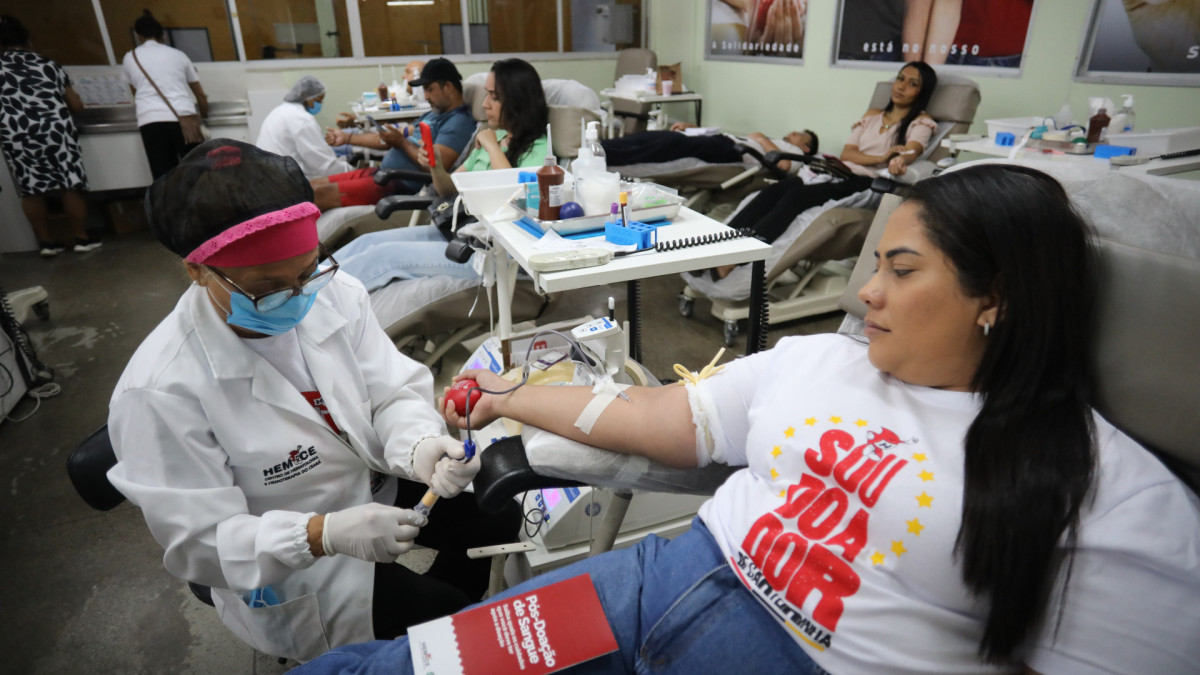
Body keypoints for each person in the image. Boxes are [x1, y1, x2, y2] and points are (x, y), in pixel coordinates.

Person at [295, 164, 1200, 674]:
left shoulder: (1108, 492)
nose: (864, 290)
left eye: (902, 270)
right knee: (377, 673)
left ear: (993, 297)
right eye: (872, 261)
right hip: (652, 580)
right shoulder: (822, 359)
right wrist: (507, 399)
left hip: (804, 659)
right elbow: (656, 411)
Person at [106, 139, 518, 663]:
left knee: (496, 511)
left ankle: (436, 617)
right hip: (291, 560)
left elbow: (389, 389)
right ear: (198, 271)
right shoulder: (161, 389)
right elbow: (199, 544)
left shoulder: (332, 293)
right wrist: (322, 534)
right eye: (267, 287)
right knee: (447, 630)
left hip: (376, 492)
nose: (298, 296)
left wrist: (418, 447)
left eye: (306, 271)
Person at [333, 58, 551, 289]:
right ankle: (308, 284)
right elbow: (448, 190)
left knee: (383, 257)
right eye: (486, 95)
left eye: (494, 97)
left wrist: (492, 146)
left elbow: (514, 197)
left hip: (488, 252)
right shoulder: (492, 137)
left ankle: (321, 303)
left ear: (517, 101)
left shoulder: (537, 149)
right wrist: (436, 166)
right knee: (367, 243)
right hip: (460, 232)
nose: (485, 104)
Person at [712, 61, 937, 279]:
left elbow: (913, 149)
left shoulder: (921, 122)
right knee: (774, 191)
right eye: (900, 78)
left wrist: (899, 159)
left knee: (795, 197)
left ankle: (735, 259)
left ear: (922, 92)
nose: (901, 86)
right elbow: (848, 153)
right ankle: (717, 247)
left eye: (912, 83)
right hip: (838, 170)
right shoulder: (871, 117)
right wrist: (880, 156)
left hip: (865, 182)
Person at [315, 58, 475, 208]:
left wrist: (402, 143)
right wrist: (348, 137)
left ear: (447, 87)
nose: (425, 96)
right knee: (313, 185)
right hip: (383, 174)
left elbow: (437, 165)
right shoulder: (434, 114)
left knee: (319, 194)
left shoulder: (459, 123)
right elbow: (392, 135)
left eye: (429, 89)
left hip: (400, 183)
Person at [0, 15, 100, 256]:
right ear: (27, 40)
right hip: (56, 130)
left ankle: (46, 243)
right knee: (70, 185)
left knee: (30, 187)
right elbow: (75, 105)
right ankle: (81, 237)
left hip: (16, 132)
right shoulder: (48, 65)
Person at [121, 10, 209, 179]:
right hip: (185, 120)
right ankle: (201, 205)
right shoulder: (179, 55)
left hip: (151, 121)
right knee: (196, 173)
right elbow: (199, 94)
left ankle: (170, 205)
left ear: (138, 36)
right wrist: (203, 116)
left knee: (163, 175)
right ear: (163, 35)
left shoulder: (130, 58)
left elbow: (135, 91)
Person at [602, 122, 818, 174]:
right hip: (723, 140)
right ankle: (599, 146)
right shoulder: (776, 142)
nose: (791, 134)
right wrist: (697, 129)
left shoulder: (797, 155)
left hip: (733, 151)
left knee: (671, 143)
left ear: (806, 147)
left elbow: (783, 165)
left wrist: (762, 139)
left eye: (798, 135)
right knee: (664, 135)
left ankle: (605, 156)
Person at [256, 75, 351, 179]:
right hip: (287, 180)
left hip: (269, 173)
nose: (320, 104)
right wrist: (352, 172)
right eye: (318, 101)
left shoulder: (280, 110)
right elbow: (323, 164)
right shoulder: (301, 119)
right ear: (306, 96)